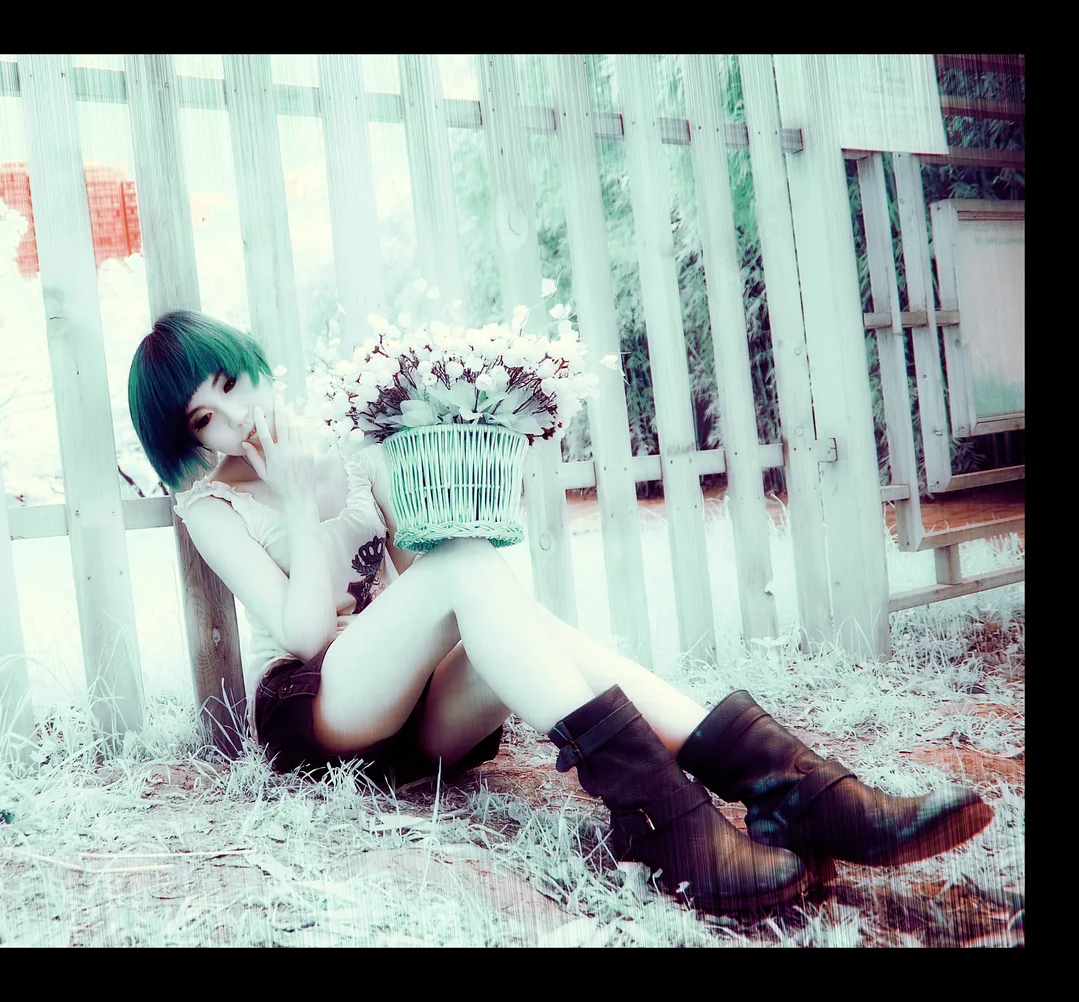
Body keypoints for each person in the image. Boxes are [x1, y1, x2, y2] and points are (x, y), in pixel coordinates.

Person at [129, 310, 994, 914]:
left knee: (501, 598)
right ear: (187, 440)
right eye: (207, 417)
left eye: (234, 384)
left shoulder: (347, 453)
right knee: (467, 570)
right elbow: (306, 634)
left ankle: (787, 788)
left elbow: (429, 581)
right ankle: (684, 823)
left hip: (417, 714)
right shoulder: (212, 506)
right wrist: (296, 502)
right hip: (320, 711)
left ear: (256, 366)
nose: (236, 418)